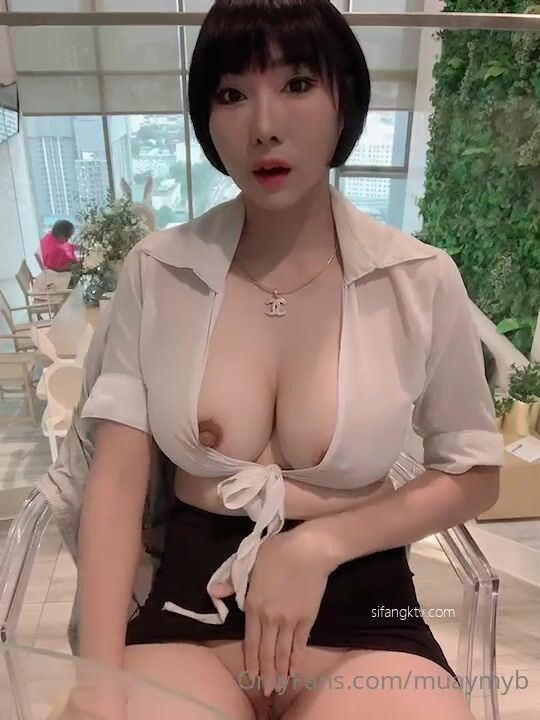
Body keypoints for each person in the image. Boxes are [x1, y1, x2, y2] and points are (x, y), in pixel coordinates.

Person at [71, 2, 504, 718]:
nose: (264, 125)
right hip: (194, 613)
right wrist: (96, 676)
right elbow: (116, 482)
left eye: (298, 84)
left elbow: (474, 473)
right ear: (207, 119)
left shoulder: (419, 278)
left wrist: (319, 546)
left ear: (345, 101)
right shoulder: (159, 270)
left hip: (364, 610)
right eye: (232, 94)